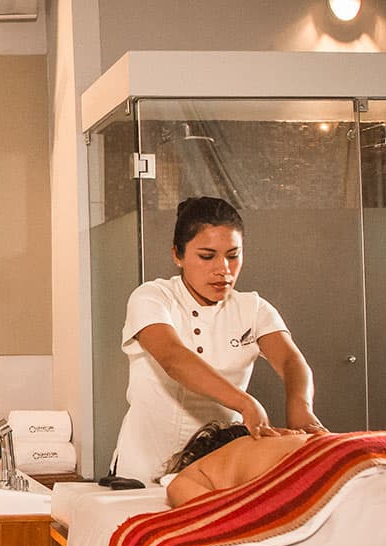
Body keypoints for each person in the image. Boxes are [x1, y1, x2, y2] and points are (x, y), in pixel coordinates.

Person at [112, 196, 325, 485]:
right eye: (207, 256)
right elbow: (174, 358)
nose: (223, 269)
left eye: (233, 256)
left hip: (217, 468)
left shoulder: (253, 308)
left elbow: (290, 360)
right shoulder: (152, 297)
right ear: (177, 255)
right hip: (144, 464)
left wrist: (301, 407)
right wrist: (245, 404)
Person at [161, 421, 312, 507]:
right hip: (321, 446)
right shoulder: (284, 437)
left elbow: (177, 488)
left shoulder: (207, 465)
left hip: (302, 469)